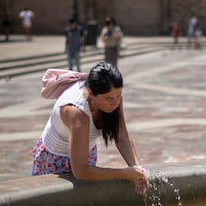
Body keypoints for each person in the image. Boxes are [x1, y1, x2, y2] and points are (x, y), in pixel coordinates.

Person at [32, 62, 150, 194]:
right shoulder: (77, 112)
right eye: (108, 99)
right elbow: (81, 171)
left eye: (119, 95)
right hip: (55, 160)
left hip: (85, 154)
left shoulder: (113, 97)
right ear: (91, 93)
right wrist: (124, 173)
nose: (115, 102)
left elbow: (121, 135)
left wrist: (137, 169)